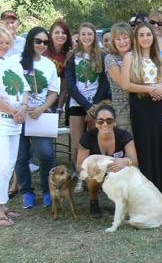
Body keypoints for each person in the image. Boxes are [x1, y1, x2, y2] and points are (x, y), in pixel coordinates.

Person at [121, 22, 162, 201]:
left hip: (159, 106)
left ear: (153, 37)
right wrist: (149, 89)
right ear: (136, 38)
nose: (145, 38)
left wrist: (161, 86)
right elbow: (125, 84)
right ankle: (147, 191)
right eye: (141, 35)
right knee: (145, 146)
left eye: (148, 35)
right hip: (141, 106)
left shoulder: (159, 57)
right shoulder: (130, 57)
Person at [12, 27, 60, 209]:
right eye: (38, 41)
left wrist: (41, 109)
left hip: (40, 116)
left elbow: (54, 92)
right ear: (30, 41)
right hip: (18, 116)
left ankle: (48, 190)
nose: (42, 45)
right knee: (21, 157)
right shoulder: (14, 61)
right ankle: (27, 192)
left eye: (45, 42)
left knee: (46, 154)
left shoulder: (48, 64)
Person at [65, 22, 110, 189]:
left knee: (94, 142)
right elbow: (70, 85)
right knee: (77, 143)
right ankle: (80, 176)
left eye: (89, 34)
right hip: (77, 104)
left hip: (95, 104)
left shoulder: (102, 56)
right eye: (83, 34)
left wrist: (94, 104)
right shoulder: (71, 57)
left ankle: (96, 175)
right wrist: (85, 105)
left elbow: (105, 83)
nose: (86, 37)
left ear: (94, 36)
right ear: (79, 36)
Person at [76, 104, 138, 218]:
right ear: (95, 123)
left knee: (130, 171)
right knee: (91, 175)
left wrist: (125, 161)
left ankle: (123, 202)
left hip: (117, 171)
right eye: (100, 121)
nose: (105, 124)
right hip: (97, 172)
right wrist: (90, 168)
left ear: (115, 122)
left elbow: (135, 161)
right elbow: (79, 166)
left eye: (109, 121)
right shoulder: (87, 137)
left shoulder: (124, 136)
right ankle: (93, 200)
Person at [0, 25, 30, 227]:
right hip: (2, 120)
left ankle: (3, 204)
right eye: (0, 42)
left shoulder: (13, 63)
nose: (3, 46)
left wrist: (24, 107)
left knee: (10, 166)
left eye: (6, 43)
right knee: (1, 166)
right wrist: (13, 111)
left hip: (15, 122)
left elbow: (25, 88)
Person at [104, 22, 134, 133]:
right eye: (118, 39)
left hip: (141, 108)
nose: (122, 42)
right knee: (128, 147)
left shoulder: (137, 55)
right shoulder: (110, 58)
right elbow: (123, 84)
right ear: (113, 41)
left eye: (125, 38)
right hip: (123, 111)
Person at [44, 20, 72, 112]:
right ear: (50, 35)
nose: (60, 35)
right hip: (34, 99)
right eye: (57, 32)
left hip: (52, 101)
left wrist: (59, 108)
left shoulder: (67, 56)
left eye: (63, 32)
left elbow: (64, 86)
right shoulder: (43, 50)